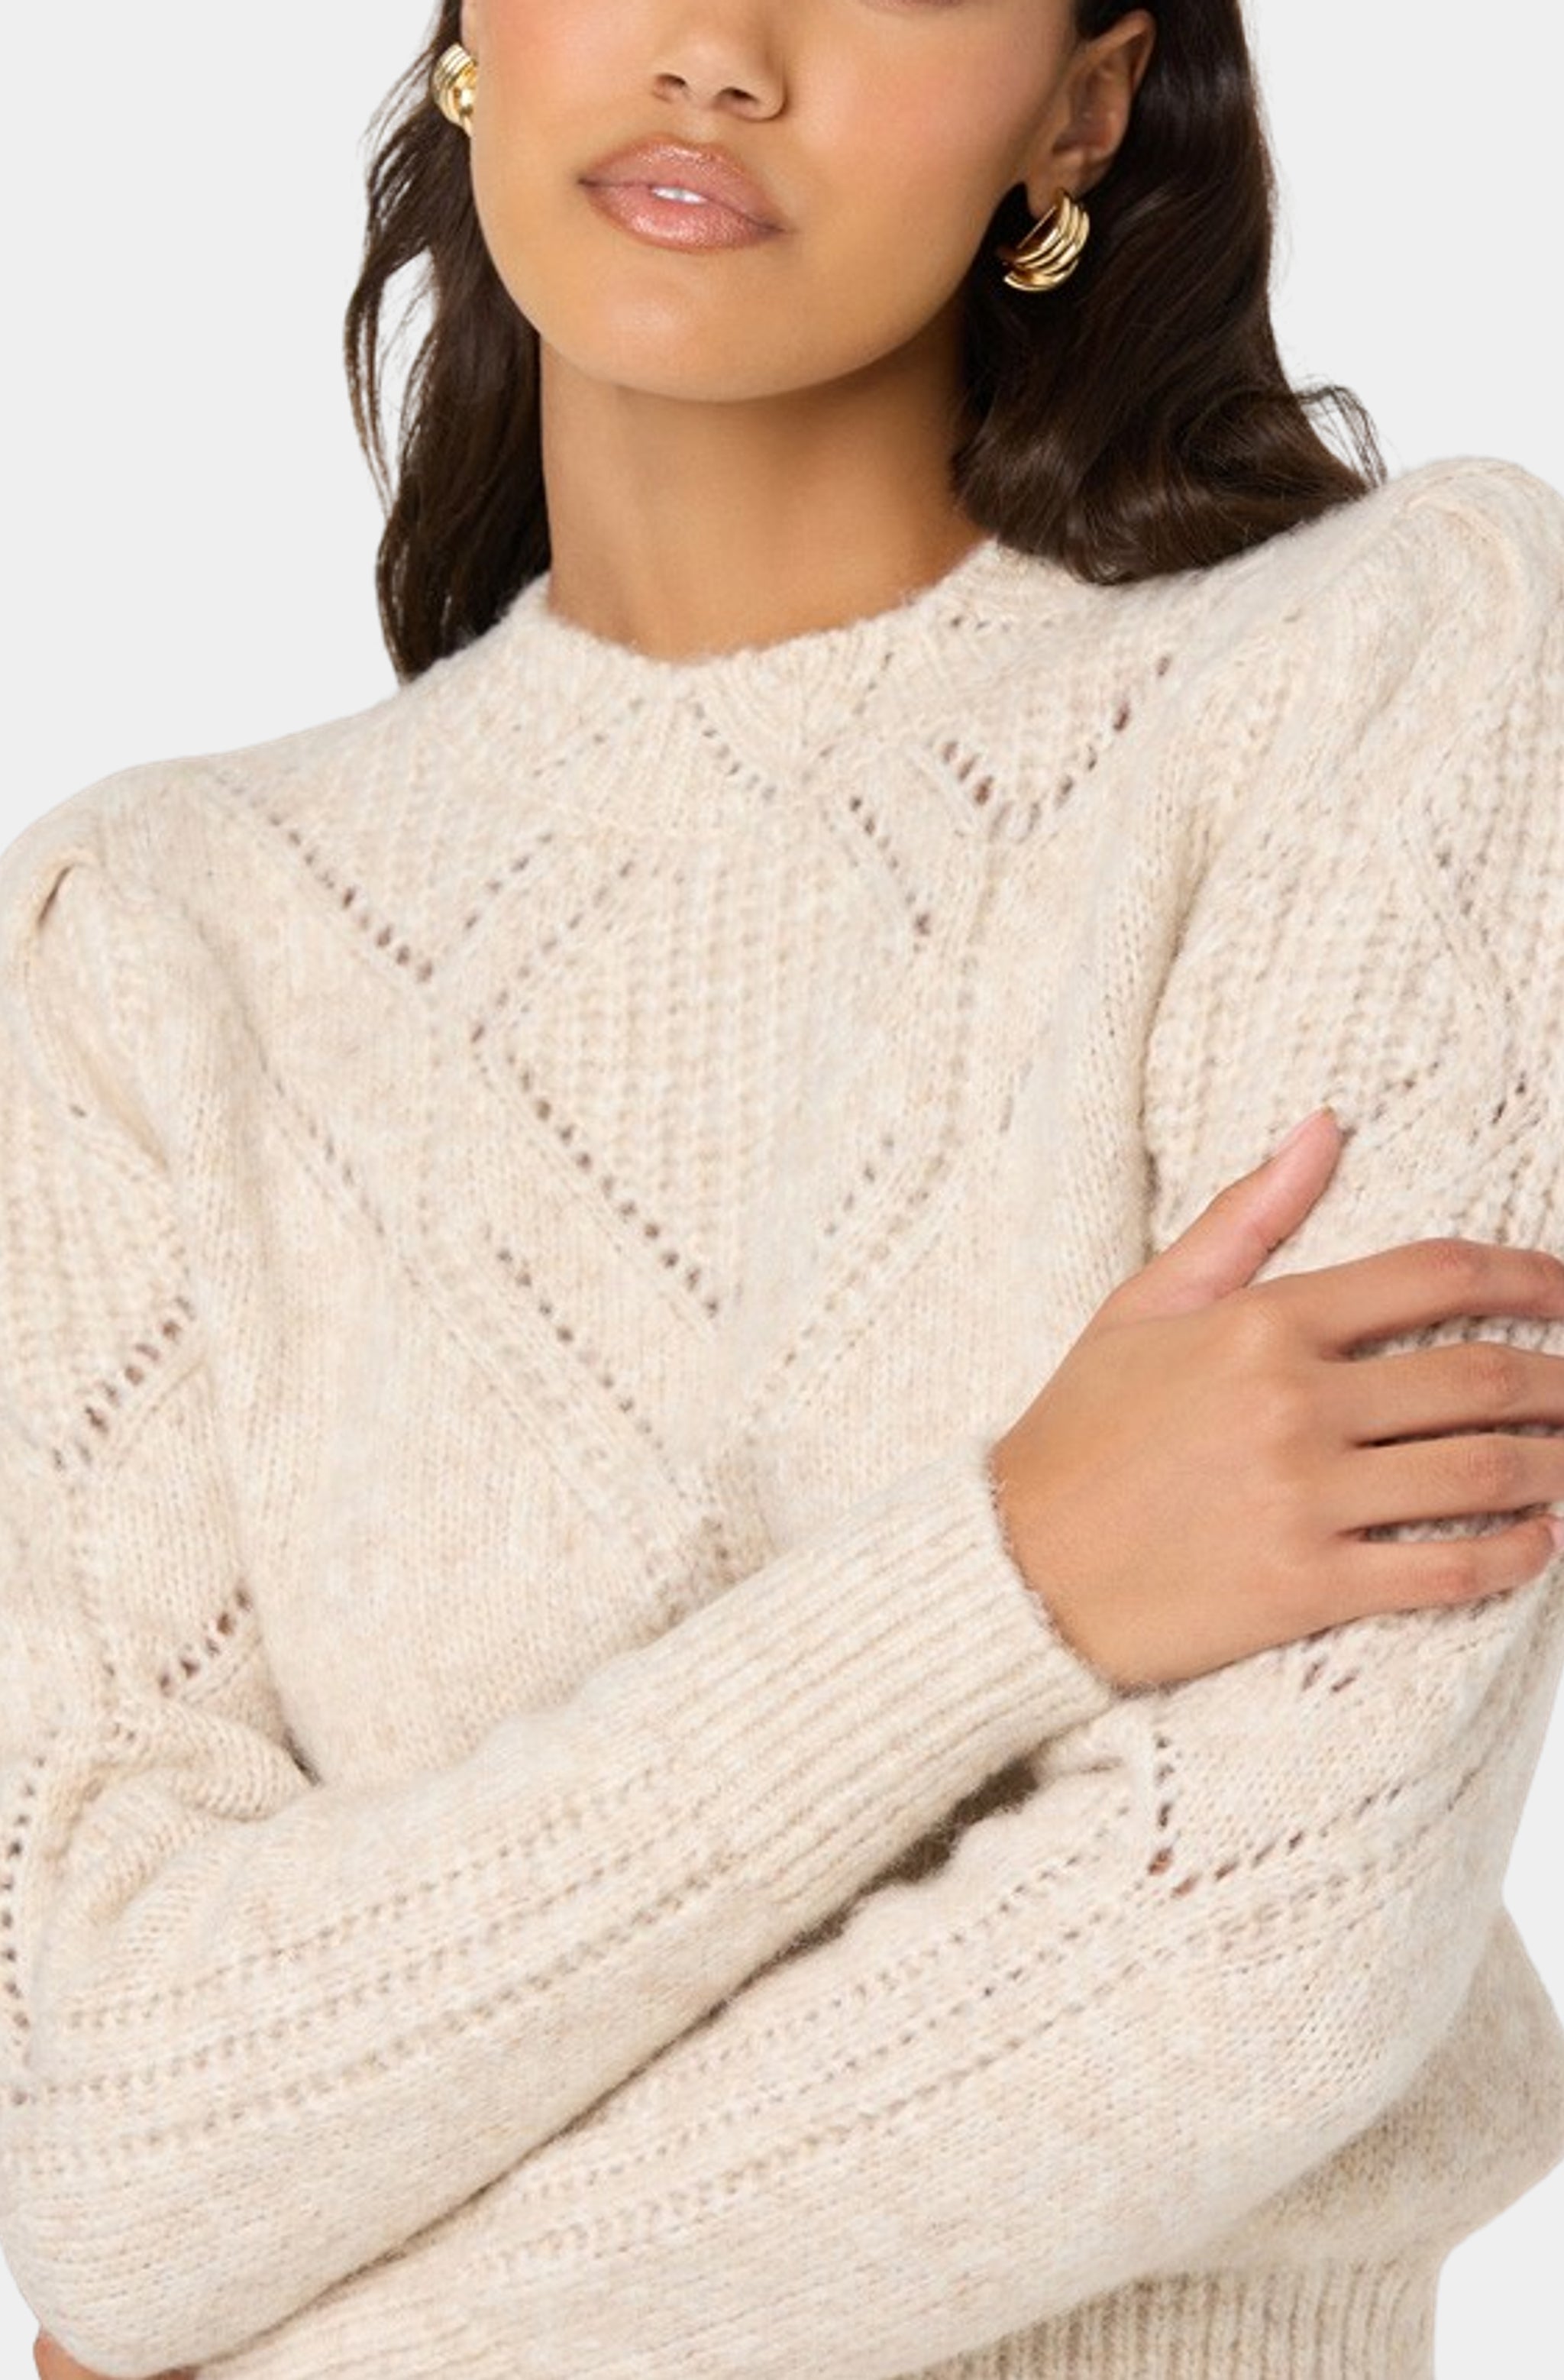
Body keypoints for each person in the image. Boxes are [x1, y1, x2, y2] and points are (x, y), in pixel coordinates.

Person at [10, 2, 1564, 2375]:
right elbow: (118, 2150)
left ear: (1083, 102)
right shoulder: (148, 939)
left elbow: (1263, 1948)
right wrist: (1008, 1573)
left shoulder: (1374, 676)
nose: (721, 51)